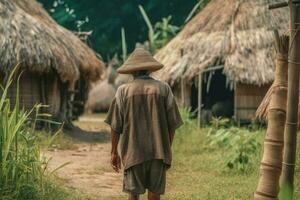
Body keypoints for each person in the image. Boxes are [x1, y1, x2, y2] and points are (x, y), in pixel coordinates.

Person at [105, 48, 183, 200]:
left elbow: (115, 126)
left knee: (133, 195)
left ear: (132, 71)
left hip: (133, 153)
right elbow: (172, 124)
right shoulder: (163, 89)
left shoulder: (123, 91)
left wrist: (114, 152)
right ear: (149, 70)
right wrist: (166, 148)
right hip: (158, 152)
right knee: (154, 194)